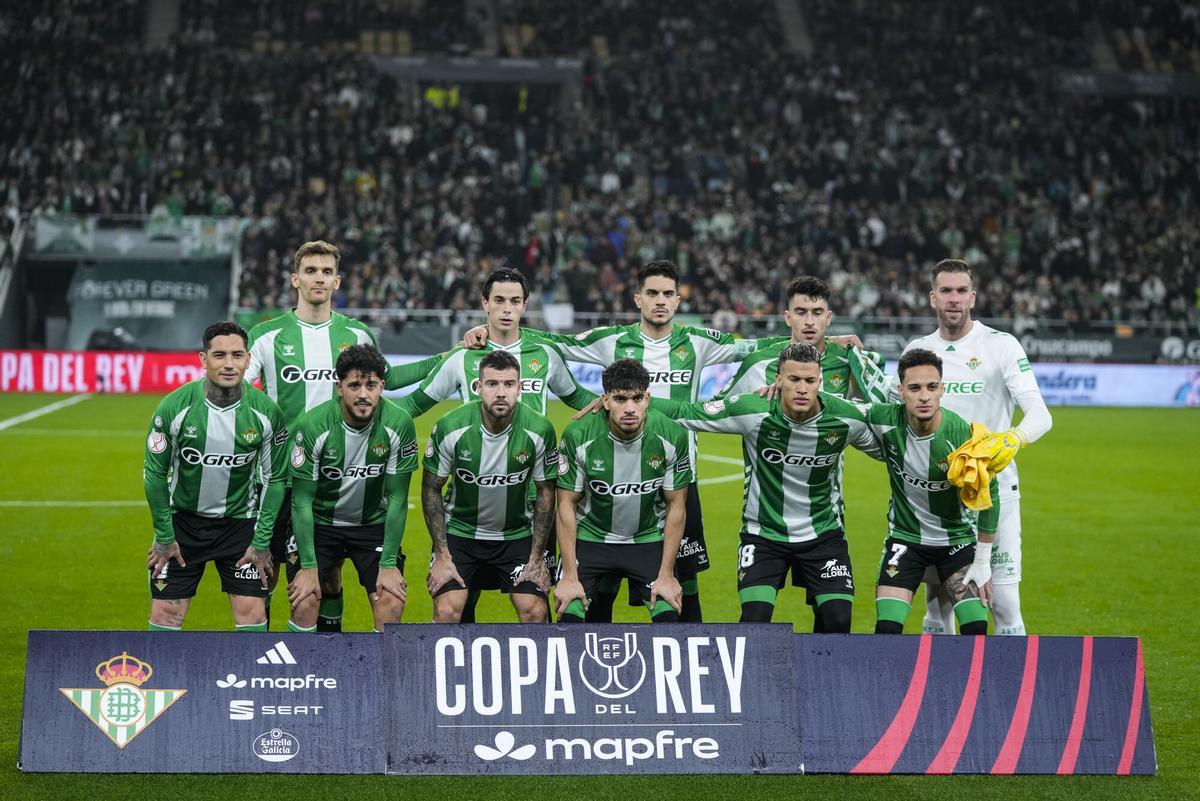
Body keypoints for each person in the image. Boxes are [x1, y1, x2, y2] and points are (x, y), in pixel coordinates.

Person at [466, 259, 760, 623]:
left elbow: (755, 348)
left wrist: (819, 344)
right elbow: (558, 342)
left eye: (668, 293)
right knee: (600, 585)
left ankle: (689, 659)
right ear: (638, 299)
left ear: (678, 300)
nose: (660, 301)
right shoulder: (612, 341)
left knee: (683, 581)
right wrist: (487, 332)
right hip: (610, 481)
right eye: (652, 293)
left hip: (677, 478)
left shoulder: (698, 342)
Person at [246, 239, 440, 631]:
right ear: (295, 279)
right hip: (283, 479)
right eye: (312, 271)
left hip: (349, 470)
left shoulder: (356, 332)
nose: (319, 278)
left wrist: (448, 356)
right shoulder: (267, 336)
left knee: (326, 579)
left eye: (327, 272)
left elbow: (387, 377)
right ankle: (272, 669)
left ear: (338, 281)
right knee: (270, 583)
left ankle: (330, 661)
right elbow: (243, 395)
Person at [392, 267, 596, 621]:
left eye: (515, 301)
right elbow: (413, 406)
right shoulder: (464, 357)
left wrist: (626, 402)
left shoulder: (543, 355)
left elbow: (577, 397)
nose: (506, 308)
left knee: (535, 603)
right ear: (485, 302)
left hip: (530, 505)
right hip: (470, 495)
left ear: (525, 305)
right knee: (458, 602)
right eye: (499, 300)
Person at [650, 342, 881, 629]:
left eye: (809, 380)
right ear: (778, 380)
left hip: (823, 535)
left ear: (820, 382)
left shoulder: (846, 417)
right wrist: (627, 401)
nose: (801, 388)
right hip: (763, 535)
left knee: (838, 619)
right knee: (754, 621)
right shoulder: (752, 410)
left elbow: (891, 448)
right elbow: (686, 411)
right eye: (794, 379)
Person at [905, 259, 1052, 636]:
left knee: (1004, 605)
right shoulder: (919, 350)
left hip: (994, 494)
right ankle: (942, 691)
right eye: (946, 291)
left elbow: (1040, 413)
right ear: (932, 297)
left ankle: (1013, 691)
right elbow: (897, 415)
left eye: (961, 291)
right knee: (938, 607)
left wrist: (1013, 438)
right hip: (935, 498)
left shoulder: (1000, 346)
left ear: (973, 296)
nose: (954, 299)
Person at [144, 321, 288, 631]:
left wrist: (262, 542)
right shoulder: (174, 407)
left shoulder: (266, 413)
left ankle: (253, 680)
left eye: (237, 355)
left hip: (240, 528)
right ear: (203, 359)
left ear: (248, 360)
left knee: (251, 613)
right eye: (219, 355)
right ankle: (164, 680)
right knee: (165, 615)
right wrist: (165, 536)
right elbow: (155, 475)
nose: (229, 364)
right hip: (182, 526)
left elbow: (276, 480)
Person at [286, 345, 419, 633]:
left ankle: (381, 677)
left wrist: (387, 563)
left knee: (391, 600)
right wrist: (308, 567)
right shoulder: (312, 426)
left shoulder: (399, 424)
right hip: (320, 524)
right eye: (354, 385)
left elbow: (397, 498)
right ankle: (307, 673)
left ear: (382, 386)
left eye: (371, 385)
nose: (363, 394)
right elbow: (301, 501)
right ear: (339, 387)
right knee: (305, 599)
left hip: (372, 524)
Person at [865, 349, 996, 635]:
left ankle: (967, 681)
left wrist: (983, 560)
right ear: (900, 391)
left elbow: (990, 496)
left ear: (942, 389)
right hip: (905, 539)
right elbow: (838, 407)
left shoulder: (962, 435)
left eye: (931, 387)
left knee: (976, 627)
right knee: (886, 629)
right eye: (914, 388)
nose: (924, 396)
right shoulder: (884, 419)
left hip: (957, 543)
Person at [422, 350, 558, 623]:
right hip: (460, 533)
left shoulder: (539, 430)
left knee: (534, 610)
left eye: (509, 384)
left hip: (516, 534)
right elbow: (431, 489)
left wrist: (536, 559)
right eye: (492, 384)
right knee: (448, 610)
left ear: (520, 388)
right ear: (478, 387)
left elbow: (546, 493)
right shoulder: (450, 428)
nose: (500, 392)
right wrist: (442, 555)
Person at [554, 359, 691, 623]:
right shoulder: (578, 435)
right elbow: (566, 506)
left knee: (668, 618)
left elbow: (677, 506)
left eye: (637, 398)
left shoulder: (672, 436)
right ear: (604, 401)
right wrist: (570, 577)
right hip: (591, 539)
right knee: (569, 615)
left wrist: (666, 574)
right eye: (619, 399)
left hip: (646, 539)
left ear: (648, 398)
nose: (630, 408)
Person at [717, 276, 885, 402]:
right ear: (788, 318)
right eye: (801, 312)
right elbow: (713, 410)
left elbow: (887, 394)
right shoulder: (757, 364)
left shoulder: (847, 360)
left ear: (828, 318)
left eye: (817, 313)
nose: (810, 321)